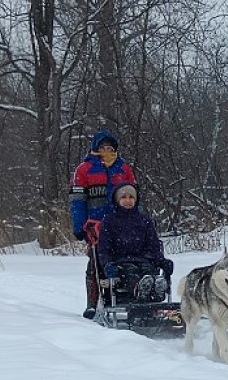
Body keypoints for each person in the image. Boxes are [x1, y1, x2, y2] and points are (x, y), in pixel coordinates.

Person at [70, 130, 137, 318]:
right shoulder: (84, 170)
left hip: (122, 223)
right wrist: (79, 227)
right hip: (96, 226)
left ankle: (132, 295)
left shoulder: (123, 169)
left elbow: (133, 195)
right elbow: (77, 201)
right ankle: (92, 302)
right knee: (96, 263)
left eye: (110, 148)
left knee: (128, 259)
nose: (106, 151)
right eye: (103, 148)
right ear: (95, 149)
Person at [94, 183, 173, 302]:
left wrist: (162, 261)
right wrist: (107, 264)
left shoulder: (144, 220)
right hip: (120, 261)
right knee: (129, 273)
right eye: (123, 197)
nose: (128, 201)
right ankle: (139, 289)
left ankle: (157, 289)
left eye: (131, 197)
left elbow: (153, 246)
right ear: (117, 200)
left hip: (144, 260)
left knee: (149, 271)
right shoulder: (109, 221)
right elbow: (104, 248)